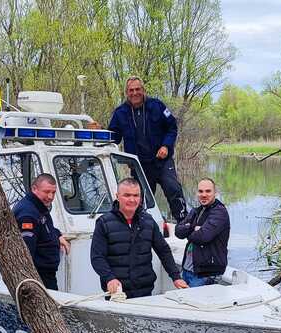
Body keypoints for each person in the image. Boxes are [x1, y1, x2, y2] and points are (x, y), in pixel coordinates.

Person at [107, 76, 187, 222]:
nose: (135, 93)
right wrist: (99, 130)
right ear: (127, 92)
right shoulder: (120, 113)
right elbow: (114, 137)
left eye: (138, 89)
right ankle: (140, 227)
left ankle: (184, 222)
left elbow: (172, 127)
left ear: (143, 90)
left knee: (173, 188)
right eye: (131, 90)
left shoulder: (157, 106)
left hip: (161, 161)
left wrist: (166, 146)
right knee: (139, 199)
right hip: (139, 165)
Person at [91, 178, 188, 298]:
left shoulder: (148, 221)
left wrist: (176, 277)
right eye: (127, 195)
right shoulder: (103, 223)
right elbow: (97, 257)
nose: (132, 200)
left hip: (145, 291)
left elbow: (163, 250)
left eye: (136, 195)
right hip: (117, 292)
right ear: (117, 196)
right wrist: (109, 278)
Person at [12, 174, 70, 291]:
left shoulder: (38, 206)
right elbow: (26, 253)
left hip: (46, 273)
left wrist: (57, 235)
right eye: (46, 192)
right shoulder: (27, 214)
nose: (50, 196)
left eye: (53, 192)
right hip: (39, 277)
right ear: (34, 189)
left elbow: (43, 228)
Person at [174, 178, 230, 287]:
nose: (204, 195)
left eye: (208, 191)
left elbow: (203, 237)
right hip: (188, 270)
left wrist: (190, 229)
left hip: (205, 274)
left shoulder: (219, 212)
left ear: (215, 193)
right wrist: (194, 228)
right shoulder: (196, 211)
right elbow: (178, 231)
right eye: (200, 191)